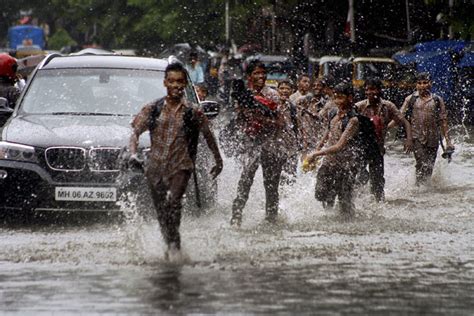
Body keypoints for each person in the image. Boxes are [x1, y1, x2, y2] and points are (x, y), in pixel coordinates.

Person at [129, 62, 223, 261]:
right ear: (165, 83)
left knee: (174, 202)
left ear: (185, 83)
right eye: (171, 81)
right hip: (155, 168)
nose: (176, 86)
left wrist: (218, 159)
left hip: (181, 165)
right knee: (162, 211)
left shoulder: (193, 111)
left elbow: (208, 135)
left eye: (180, 81)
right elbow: (135, 132)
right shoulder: (152, 108)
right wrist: (133, 154)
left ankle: (174, 247)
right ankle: (172, 241)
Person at [230, 60, 284, 227]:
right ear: (249, 76)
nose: (261, 76)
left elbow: (280, 123)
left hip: (271, 143)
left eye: (263, 73)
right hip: (250, 144)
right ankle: (236, 217)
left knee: (271, 185)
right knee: (245, 180)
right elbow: (239, 121)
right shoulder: (243, 94)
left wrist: (261, 116)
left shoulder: (272, 95)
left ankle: (271, 220)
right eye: (256, 73)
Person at [306, 83, 360, 217]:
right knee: (321, 193)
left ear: (350, 98)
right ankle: (328, 218)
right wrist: (316, 150)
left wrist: (316, 153)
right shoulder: (333, 113)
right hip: (329, 162)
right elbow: (327, 133)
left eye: (341, 98)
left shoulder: (353, 120)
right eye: (336, 97)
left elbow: (339, 146)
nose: (338, 101)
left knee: (344, 204)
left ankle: (347, 225)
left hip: (346, 165)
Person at [355, 78, 413, 201]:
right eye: (367, 90)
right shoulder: (360, 107)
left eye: (372, 89)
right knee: (360, 176)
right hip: (361, 148)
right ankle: (359, 201)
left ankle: (378, 204)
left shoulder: (388, 106)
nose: (369, 92)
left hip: (378, 148)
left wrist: (409, 139)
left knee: (378, 180)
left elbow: (405, 122)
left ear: (379, 90)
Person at [398, 72, 454, 185]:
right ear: (416, 85)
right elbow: (399, 116)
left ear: (430, 84)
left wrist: (448, 141)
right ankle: (418, 187)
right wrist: (386, 126)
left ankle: (424, 191)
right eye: (419, 83)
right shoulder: (410, 99)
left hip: (433, 139)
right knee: (421, 162)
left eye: (425, 83)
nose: (422, 85)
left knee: (429, 168)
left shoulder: (437, 100)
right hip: (416, 138)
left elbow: (443, 120)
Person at [276, 79, 300, 185]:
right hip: (275, 147)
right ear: (277, 90)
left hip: (291, 147)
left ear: (292, 91)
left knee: (290, 176)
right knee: (275, 176)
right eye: (282, 88)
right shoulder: (273, 106)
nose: (284, 91)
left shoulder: (293, 108)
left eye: (287, 89)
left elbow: (297, 128)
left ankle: (288, 199)